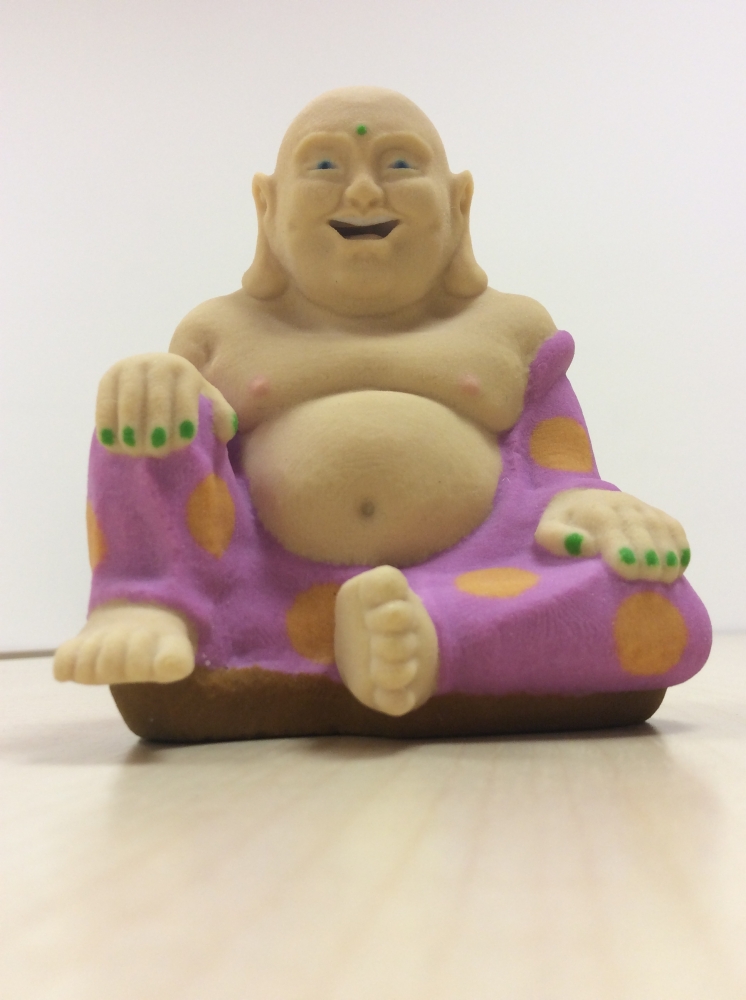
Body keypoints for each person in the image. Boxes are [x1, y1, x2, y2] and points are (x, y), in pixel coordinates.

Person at [53, 87, 710, 739]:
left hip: (480, 580)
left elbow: (555, 460)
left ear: (458, 203)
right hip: (267, 597)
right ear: (267, 206)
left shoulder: (510, 328)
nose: (364, 193)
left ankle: (428, 636)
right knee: (148, 390)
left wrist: (584, 500)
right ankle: (149, 597)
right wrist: (163, 381)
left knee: (660, 603)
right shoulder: (220, 332)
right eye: (324, 165)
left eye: (399, 164)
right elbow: (183, 471)